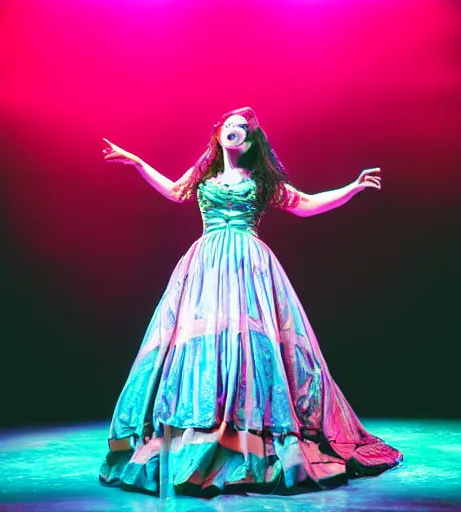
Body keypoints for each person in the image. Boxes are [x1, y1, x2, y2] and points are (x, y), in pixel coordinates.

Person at [98, 106, 402, 497]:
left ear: (251, 138)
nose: (234, 130)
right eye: (228, 125)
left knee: (249, 346)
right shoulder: (204, 176)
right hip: (205, 267)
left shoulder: (261, 182)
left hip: (249, 267)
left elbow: (306, 203)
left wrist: (351, 188)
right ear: (219, 133)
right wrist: (138, 163)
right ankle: (202, 427)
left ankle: (249, 434)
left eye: (242, 127)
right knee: (202, 343)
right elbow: (175, 191)